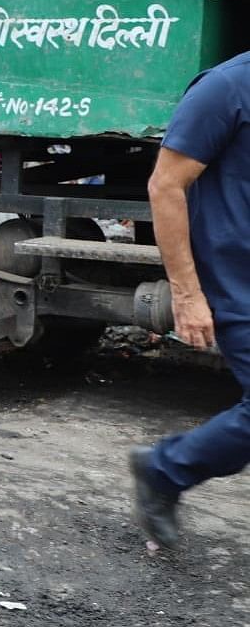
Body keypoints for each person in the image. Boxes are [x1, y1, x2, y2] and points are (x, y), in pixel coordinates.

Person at [130, 49, 250, 550]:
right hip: (239, 286)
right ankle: (163, 469)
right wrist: (187, 293)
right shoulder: (226, 88)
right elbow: (165, 185)